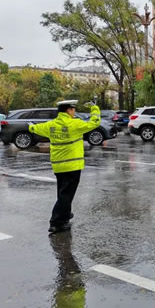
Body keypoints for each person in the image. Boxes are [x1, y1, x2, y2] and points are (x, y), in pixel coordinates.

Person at [29, 100, 101, 234]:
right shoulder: (75, 124)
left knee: (62, 192)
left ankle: (65, 215)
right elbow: (94, 122)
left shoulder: (51, 125)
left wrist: (31, 127)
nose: (75, 112)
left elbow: (35, 128)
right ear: (69, 110)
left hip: (58, 165)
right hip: (72, 165)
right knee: (66, 195)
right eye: (73, 109)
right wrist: (94, 108)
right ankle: (56, 222)